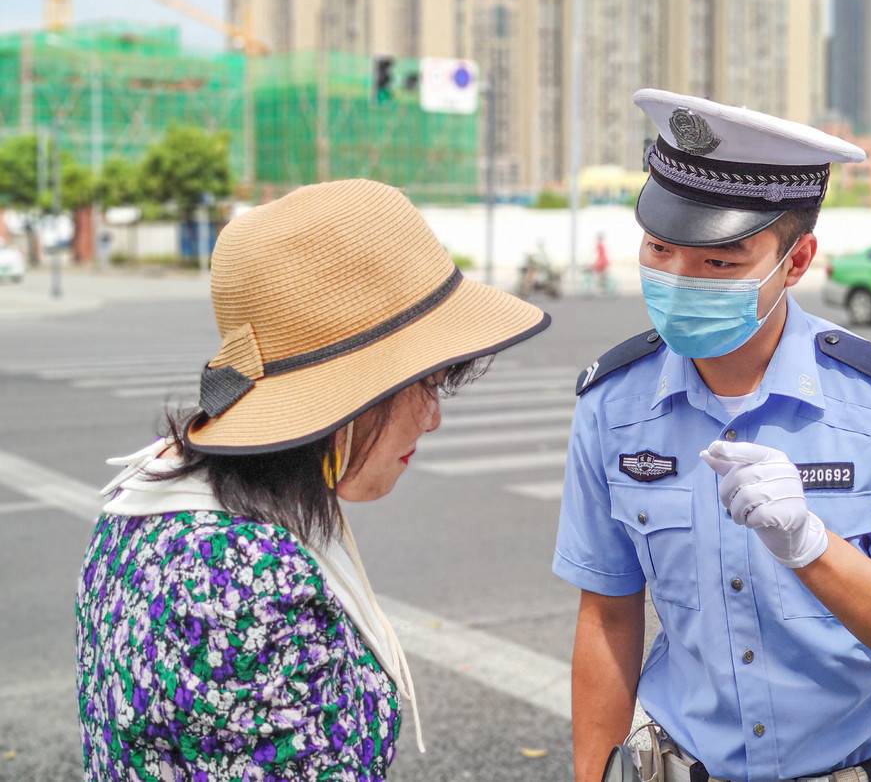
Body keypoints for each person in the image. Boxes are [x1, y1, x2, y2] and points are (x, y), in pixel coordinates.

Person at [553, 90, 871, 782]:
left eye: (719, 264)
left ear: (798, 259)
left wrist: (813, 549)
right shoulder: (613, 403)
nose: (678, 277)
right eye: (659, 248)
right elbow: (607, 618)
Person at [75, 178, 550, 780]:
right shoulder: (246, 580)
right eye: (426, 382)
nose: (434, 417)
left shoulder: (148, 499)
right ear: (348, 394)